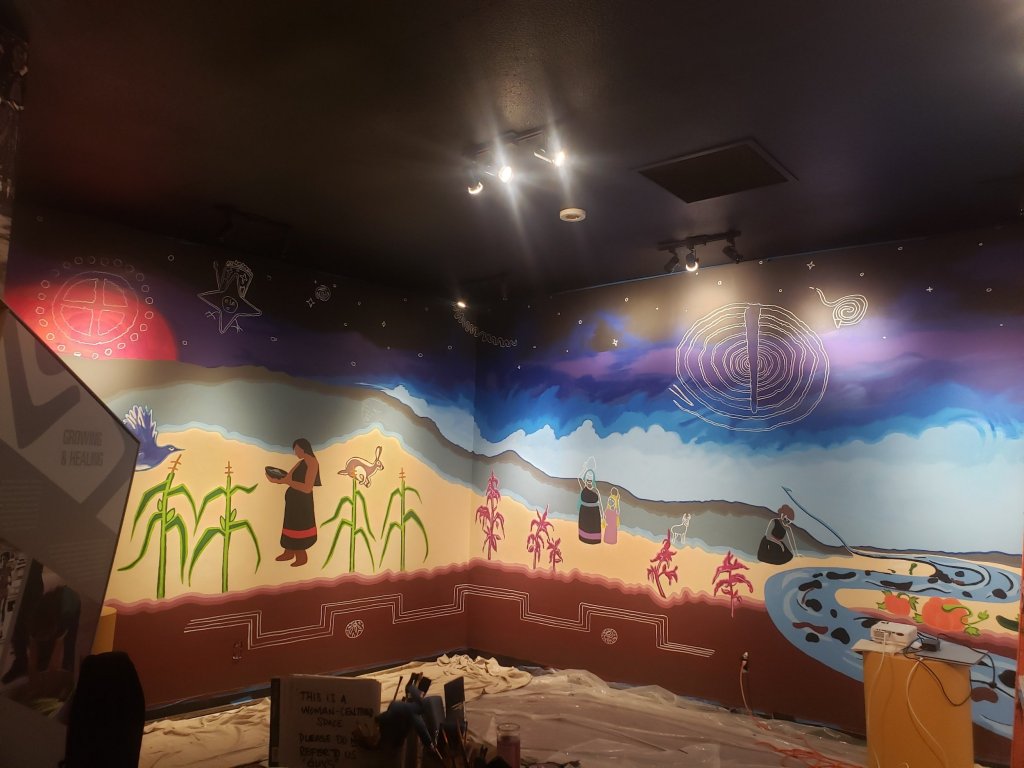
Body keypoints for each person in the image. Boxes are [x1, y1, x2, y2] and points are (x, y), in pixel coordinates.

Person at [267, 438, 321, 567]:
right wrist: (276, 479)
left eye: (296, 449)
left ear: (304, 448)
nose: (295, 452)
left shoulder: (312, 463)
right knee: (290, 525)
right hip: (293, 502)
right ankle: (289, 552)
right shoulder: (300, 463)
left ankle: (301, 556)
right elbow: (288, 478)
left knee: (299, 526)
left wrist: (287, 482)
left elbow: (307, 488)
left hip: (302, 503)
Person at [577, 459, 603, 545]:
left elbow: (600, 503)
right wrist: (584, 468)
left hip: (594, 513)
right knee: (585, 529)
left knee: (593, 529)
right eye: (588, 477)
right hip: (584, 511)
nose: (589, 480)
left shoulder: (596, 490)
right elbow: (579, 478)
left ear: (593, 479)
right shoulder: (583, 487)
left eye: (591, 478)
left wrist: (602, 515)